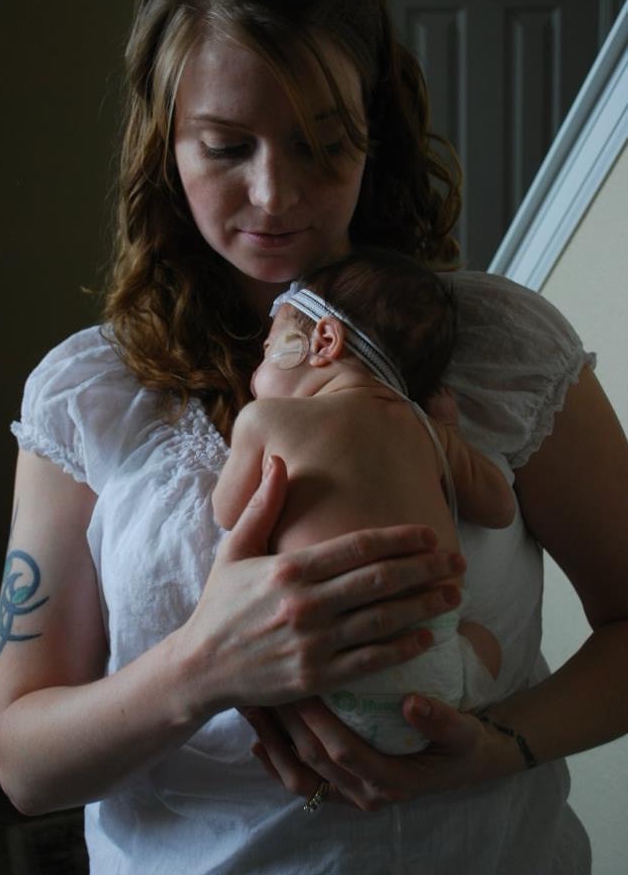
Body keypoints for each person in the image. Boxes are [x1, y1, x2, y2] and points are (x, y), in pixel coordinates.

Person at [0, 0, 628, 872]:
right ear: (165, 144)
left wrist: (500, 745)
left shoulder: (501, 349)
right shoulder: (89, 395)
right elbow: (23, 765)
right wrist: (202, 667)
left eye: (323, 144)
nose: (275, 194)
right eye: (225, 147)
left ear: (376, 132)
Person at [213, 247, 514, 754]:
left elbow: (227, 511)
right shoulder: (426, 430)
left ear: (324, 340)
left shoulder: (266, 419)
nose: (255, 374)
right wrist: (450, 433)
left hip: (320, 667)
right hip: (435, 680)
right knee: (484, 640)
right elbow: (499, 509)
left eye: (267, 350)